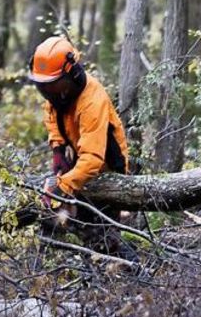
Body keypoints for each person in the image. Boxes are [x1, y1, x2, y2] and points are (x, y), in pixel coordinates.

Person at [28, 36, 132, 256]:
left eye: (55, 85)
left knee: (103, 235)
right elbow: (52, 116)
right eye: (45, 87)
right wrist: (58, 150)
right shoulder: (58, 96)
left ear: (72, 73)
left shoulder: (92, 100)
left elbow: (93, 158)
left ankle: (129, 269)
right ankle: (65, 257)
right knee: (74, 219)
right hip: (81, 159)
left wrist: (62, 187)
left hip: (107, 168)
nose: (50, 92)